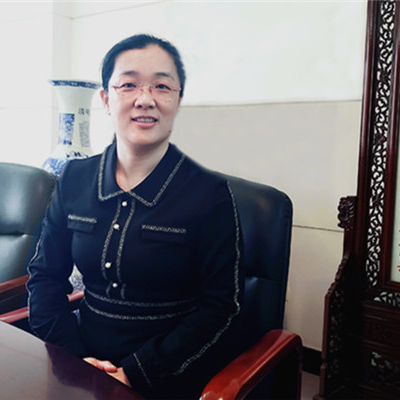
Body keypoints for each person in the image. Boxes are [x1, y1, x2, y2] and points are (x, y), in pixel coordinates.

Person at [26, 33, 243, 399]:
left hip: (169, 374)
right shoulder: (75, 179)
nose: (145, 99)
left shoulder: (209, 194)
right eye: (128, 85)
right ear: (105, 99)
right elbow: (45, 275)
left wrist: (135, 373)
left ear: (177, 101)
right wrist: (75, 358)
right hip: (80, 363)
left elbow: (221, 306)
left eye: (162, 86)